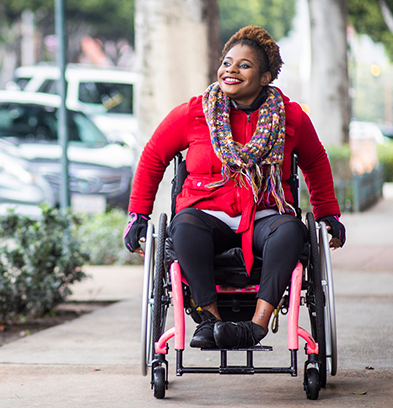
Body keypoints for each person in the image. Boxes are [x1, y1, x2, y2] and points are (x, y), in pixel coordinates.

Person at [123, 25, 345, 350]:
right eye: (227, 62)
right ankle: (210, 320)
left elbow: (315, 162)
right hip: (205, 216)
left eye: (244, 65)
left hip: (265, 215)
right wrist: (138, 215)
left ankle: (254, 326)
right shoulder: (194, 112)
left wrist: (328, 215)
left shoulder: (291, 117)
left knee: (291, 232)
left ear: (265, 77)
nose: (231, 70)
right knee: (182, 227)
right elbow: (153, 156)